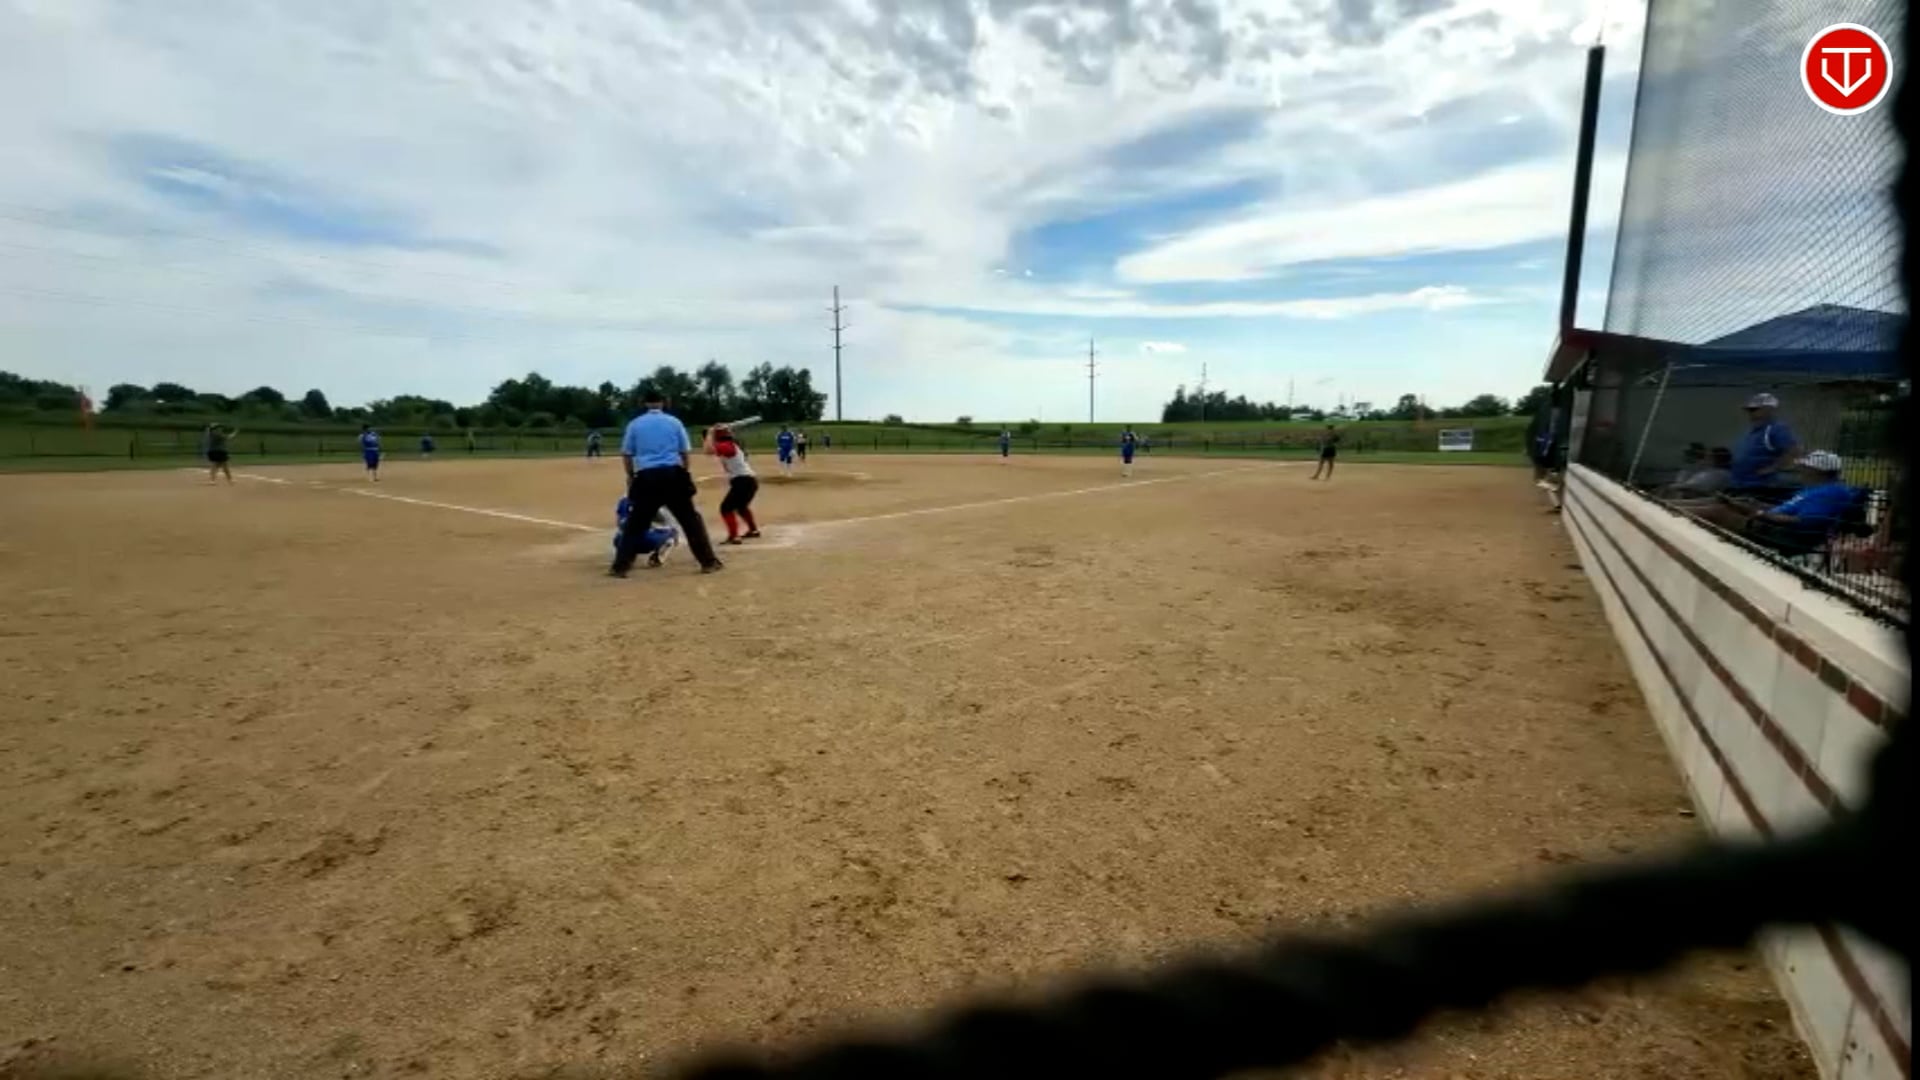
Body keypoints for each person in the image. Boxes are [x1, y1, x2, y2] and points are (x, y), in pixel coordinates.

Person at [609, 389, 723, 577]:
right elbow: (684, 453)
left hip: (646, 476)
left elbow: (627, 454)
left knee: (635, 524)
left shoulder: (635, 425)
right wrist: (684, 473)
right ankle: (708, 562)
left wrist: (630, 475)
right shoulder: (674, 422)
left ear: (645, 403)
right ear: (663, 403)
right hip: (672, 474)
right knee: (690, 521)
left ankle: (620, 567)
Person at [1678, 451, 1862, 553]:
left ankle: (1670, 514)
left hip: (1781, 534)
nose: (1800, 470)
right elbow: (1788, 510)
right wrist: (1754, 506)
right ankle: (1669, 507)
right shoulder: (1816, 487)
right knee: (1732, 501)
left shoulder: (1830, 493)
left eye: (1804, 467)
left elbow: (1802, 521)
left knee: (1718, 510)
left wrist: (1760, 514)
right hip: (1771, 521)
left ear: (1817, 471)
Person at [1727, 392, 1800, 499]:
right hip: (1742, 485)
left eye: (1754, 410)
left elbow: (1793, 451)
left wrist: (1772, 468)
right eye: (1749, 410)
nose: (1750, 414)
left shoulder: (1776, 429)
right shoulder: (1753, 431)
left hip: (1761, 487)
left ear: (1768, 410)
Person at [706, 423, 762, 545]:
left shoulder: (727, 446)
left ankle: (734, 536)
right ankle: (753, 530)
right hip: (749, 481)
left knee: (726, 508)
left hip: (743, 481)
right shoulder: (731, 444)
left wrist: (710, 433)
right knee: (741, 507)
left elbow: (708, 450)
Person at [613, 495, 679, 568]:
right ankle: (658, 558)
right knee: (673, 532)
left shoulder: (623, 500)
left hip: (620, 541)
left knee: (623, 534)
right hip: (648, 541)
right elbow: (665, 521)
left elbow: (620, 523)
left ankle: (627, 556)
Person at [1658, 446, 1734, 499]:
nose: (1705, 459)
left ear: (1716, 459)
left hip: (1694, 498)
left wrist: (1673, 486)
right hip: (1688, 492)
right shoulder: (1711, 471)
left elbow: (1696, 486)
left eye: (1708, 457)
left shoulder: (1719, 474)